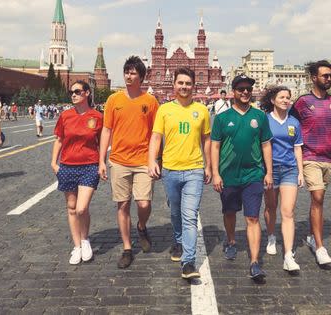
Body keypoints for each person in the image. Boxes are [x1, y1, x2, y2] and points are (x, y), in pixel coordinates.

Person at [289, 60, 331, 266]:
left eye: (330, 76)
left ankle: (310, 235)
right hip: (309, 157)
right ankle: (319, 247)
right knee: (317, 196)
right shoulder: (302, 101)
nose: (329, 79)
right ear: (314, 78)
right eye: (325, 75)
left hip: (329, 159)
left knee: (319, 200)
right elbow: (290, 124)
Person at [148, 67, 211, 279]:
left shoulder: (201, 110)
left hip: (194, 169)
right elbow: (156, 137)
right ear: (173, 84)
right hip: (170, 170)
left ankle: (189, 262)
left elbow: (207, 140)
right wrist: (151, 161)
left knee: (190, 216)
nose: (184, 87)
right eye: (180, 83)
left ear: (194, 85)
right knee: (175, 213)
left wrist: (209, 166)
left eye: (188, 83)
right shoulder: (164, 110)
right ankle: (177, 241)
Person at [211, 74, 273, 281]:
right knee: (229, 212)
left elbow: (266, 144)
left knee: (252, 217)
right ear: (233, 91)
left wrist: (269, 172)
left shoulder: (260, 117)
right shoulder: (222, 118)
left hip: (253, 174)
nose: (245, 92)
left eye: (248, 89)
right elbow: (215, 146)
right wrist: (216, 173)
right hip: (228, 175)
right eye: (241, 89)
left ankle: (255, 262)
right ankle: (230, 241)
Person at [99, 56, 159, 269]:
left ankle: (141, 226)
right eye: (126, 71)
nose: (128, 75)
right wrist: (102, 160)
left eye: (133, 72)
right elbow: (107, 130)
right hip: (119, 160)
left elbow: (155, 133)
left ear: (142, 77)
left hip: (143, 160)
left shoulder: (150, 102)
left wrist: (154, 160)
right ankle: (126, 248)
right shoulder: (114, 100)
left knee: (144, 203)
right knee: (122, 204)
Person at [51, 80, 102, 265]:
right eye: (71, 92)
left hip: (89, 165)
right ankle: (77, 247)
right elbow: (58, 140)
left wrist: (102, 162)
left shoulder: (97, 116)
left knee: (82, 208)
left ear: (87, 93)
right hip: (67, 166)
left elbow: (102, 142)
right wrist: (53, 163)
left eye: (78, 91)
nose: (73, 95)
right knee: (72, 208)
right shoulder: (65, 116)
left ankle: (85, 239)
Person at [260, 85, 303, 272]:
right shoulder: (265, 120)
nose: (286, 100)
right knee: (270, 207)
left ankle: (288, 255)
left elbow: (297, 148)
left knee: (288, 212)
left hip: (289, 170)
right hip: (269, 171)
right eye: (282, 97)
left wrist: (300, 172)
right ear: (273, 100)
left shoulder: (294, 122)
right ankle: (270, 236)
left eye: (288, 97)